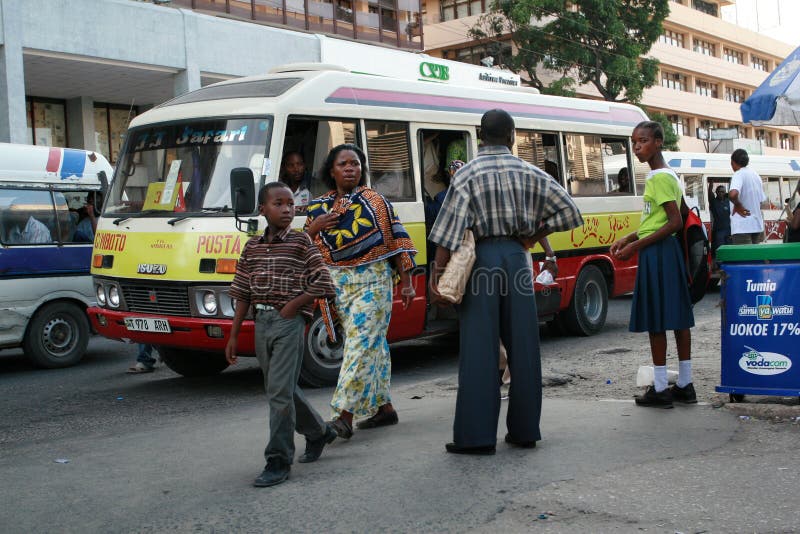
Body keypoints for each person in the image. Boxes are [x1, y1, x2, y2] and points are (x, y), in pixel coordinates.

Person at [428, 109, 583, 455]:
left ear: (480, 135)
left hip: (482, 261)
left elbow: (449, 232)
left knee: (479, 349)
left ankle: (476, 437)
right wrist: (532, 236)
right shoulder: (530, 172)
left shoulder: (466, 174)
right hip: (516, 259)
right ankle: (525, 431)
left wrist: (436, 275)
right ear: (512, 136)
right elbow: (570, 212)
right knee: (524, 346)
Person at [226, 182, 338, 488]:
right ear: (263, 210)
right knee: (281, 390)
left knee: (278, 393)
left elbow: (324, 283)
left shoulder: (302, 243)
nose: (287, 209)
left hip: (288, 324)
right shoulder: (252, 247)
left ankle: (278, 460)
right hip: (261, 323)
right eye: (279, 203)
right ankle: (319, 432)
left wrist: (294, 305)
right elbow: (242, 292)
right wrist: (234, 335)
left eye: (290, 203)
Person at [305, 144, 416, 439]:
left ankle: (343, 415)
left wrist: (406, 281)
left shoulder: (375, 202)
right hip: (338, 287)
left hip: (373, 283)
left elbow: (397, 241)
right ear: (332, 170)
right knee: (373, 346)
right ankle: (384, 409)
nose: (350, 168)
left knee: (359, 347)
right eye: (343, 164)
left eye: (355, 163)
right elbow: (304, 248)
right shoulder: (318, 208)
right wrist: (315, 227)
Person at [610, 121, 695, 409]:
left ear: (658, 142)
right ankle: (685, 383)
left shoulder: (658, 178)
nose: (637, 147)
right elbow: (662, 219)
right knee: (678, 319)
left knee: (657, 322)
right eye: (634, 142)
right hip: (666, 251)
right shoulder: (669, 175)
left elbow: (675, 221)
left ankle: (660, 388)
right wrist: (629, 236)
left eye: (643, 141)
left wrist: (634, 245)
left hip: (657, 254)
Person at [728, 148, 767, 245]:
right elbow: (761, 201)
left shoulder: (738, 174)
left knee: (744, 259)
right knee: (755, 259)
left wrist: (738, 205)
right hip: (756, 226)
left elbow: (733, 194)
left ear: (733, 162)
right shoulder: (756, 175)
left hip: (742, 227)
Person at [707, 183, 731, 256]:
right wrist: (711, 182)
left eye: (723, 192)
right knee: (720, 250)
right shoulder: (713, 202)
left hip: (729, 230)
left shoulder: (728, 201)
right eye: (720, 191)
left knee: (729, 249)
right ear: (716, 192)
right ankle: (719, 265)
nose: (721, 193)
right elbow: (709, 193)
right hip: (719, 230)